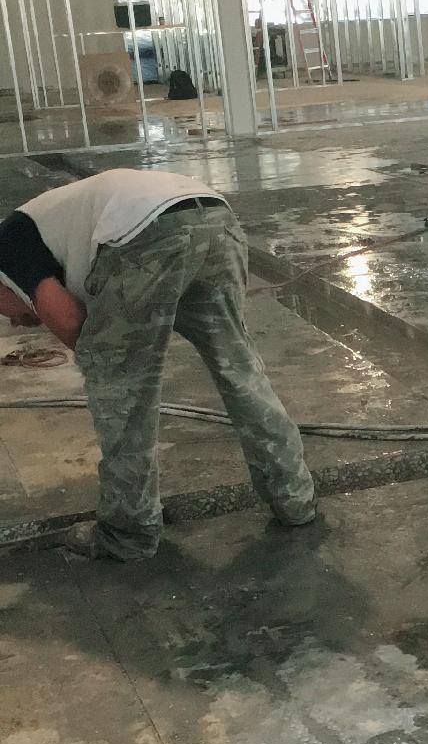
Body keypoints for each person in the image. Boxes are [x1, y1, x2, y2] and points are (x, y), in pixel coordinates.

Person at [0, 169, 316, 561]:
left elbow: (71, 324)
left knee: (120, 384)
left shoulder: (8, 242)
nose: (15, 322)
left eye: (5, 312)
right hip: (214, 218)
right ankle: (295, 497)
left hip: (145, 231)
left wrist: (111, 359)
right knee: (238, 366)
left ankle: (128, 532)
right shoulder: (52, 225)